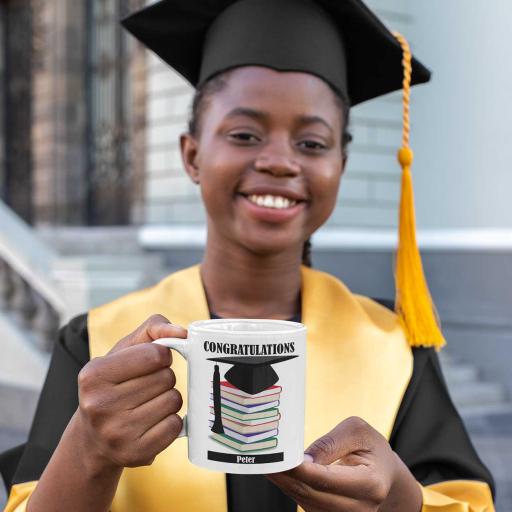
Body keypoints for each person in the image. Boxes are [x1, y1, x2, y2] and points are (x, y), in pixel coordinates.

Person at [1, 0, 496, 510]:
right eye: (244, 135)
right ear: (192, 155)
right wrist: (89, 448)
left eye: (311, 142)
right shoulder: (100, 344)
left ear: (341, 166)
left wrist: (402, 502)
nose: (280, 161)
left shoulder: (395, 347)